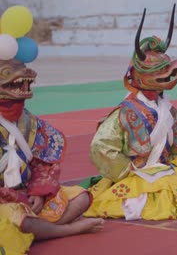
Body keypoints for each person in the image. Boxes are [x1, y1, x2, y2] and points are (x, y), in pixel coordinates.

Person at [83, 6, 177, 221]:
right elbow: (101, 148)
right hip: (137, 173)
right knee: (156, 197)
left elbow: (173, 148)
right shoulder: (125, 112)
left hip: (163, 168)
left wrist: (170, 163)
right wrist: (129, 170)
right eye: (156, 72)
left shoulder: (169, 110)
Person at [0, 58, 104, 254]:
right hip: (5, 199)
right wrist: (16, 198)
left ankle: (40, 231)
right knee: (17, 218)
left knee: (80, 198)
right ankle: (65, 230)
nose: (23, 86)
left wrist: (38, 193)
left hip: (27, 194)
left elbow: (43, 163)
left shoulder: (30, 122)